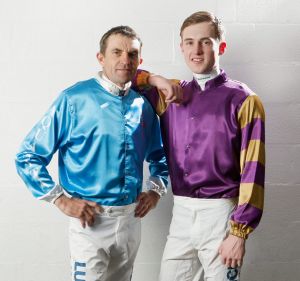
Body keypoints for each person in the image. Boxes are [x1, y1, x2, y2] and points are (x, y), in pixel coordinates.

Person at [15, 25, 168, 281]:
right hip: (90, 222)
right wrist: (60, 199)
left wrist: (155, 191)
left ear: (139, 61)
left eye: (132, 54)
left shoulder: (143, 106)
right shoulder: (74, 99)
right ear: (101, 58)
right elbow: (28, 155)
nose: (124, 60)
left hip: (131, 220)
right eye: (116, 52)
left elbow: (159, 157)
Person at [134, 11, 265, 281]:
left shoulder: (244, 100)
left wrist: (239, 233)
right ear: (181, 47)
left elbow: (253, 170)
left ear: (221, 46)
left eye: (205, 41)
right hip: (180, 213)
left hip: (222, 214)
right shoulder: (172, 94)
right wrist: (157, 79)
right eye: (189, 42)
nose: (196, 49)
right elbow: (124, 74)